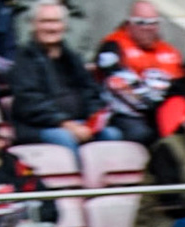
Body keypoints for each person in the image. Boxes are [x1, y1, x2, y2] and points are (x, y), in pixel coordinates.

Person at [9, 2, 119, 154]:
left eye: (56, 22)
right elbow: (31, 104)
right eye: (45, 22)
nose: (51, 28)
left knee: (112, 134)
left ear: (65, 25)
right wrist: (66, 124)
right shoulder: (24, 59)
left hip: (79, 122)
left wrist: (93, 120)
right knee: (65, 138)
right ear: (33, 25)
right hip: (41, 127)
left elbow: (91, 92)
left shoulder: (72, 57)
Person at [95, 0, 184, 146]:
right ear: (129, 23)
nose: (148, 28)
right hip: (124, 114)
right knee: (147, 135)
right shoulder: (113, 44)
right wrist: (153, 103)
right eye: (141, 22)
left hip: (163, 113)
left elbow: (181, 88)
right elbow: (117, 83)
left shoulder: (170, 51)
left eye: (153, 23)